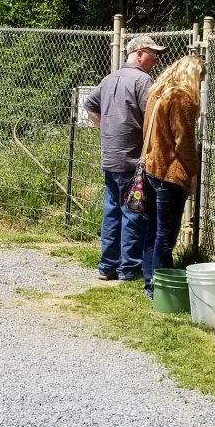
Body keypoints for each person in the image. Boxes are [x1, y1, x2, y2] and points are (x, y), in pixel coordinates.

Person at [83, 34, 166, 281]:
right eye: (153, 54)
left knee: (111, 211)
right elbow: (152, 119)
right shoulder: (143, 81)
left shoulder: (109, 79)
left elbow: (90, 105)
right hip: (132, 160)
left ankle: (107, 266)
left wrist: (105, 129)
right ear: (139, 53)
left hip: (109, 158)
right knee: (133, 212)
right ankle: (129, 269)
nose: (156, 59)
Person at [141, 54, 205, 294]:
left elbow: (147, 130)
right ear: (192, 75)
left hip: (151, 168)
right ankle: (163, 287)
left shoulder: (158, 92)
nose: (200, 85)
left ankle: (149, 281)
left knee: (153, 230)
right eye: (200, 78)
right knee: (166, 235)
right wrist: (193, 172)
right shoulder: (181, 98)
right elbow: (184, 142)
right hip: (170, 173)